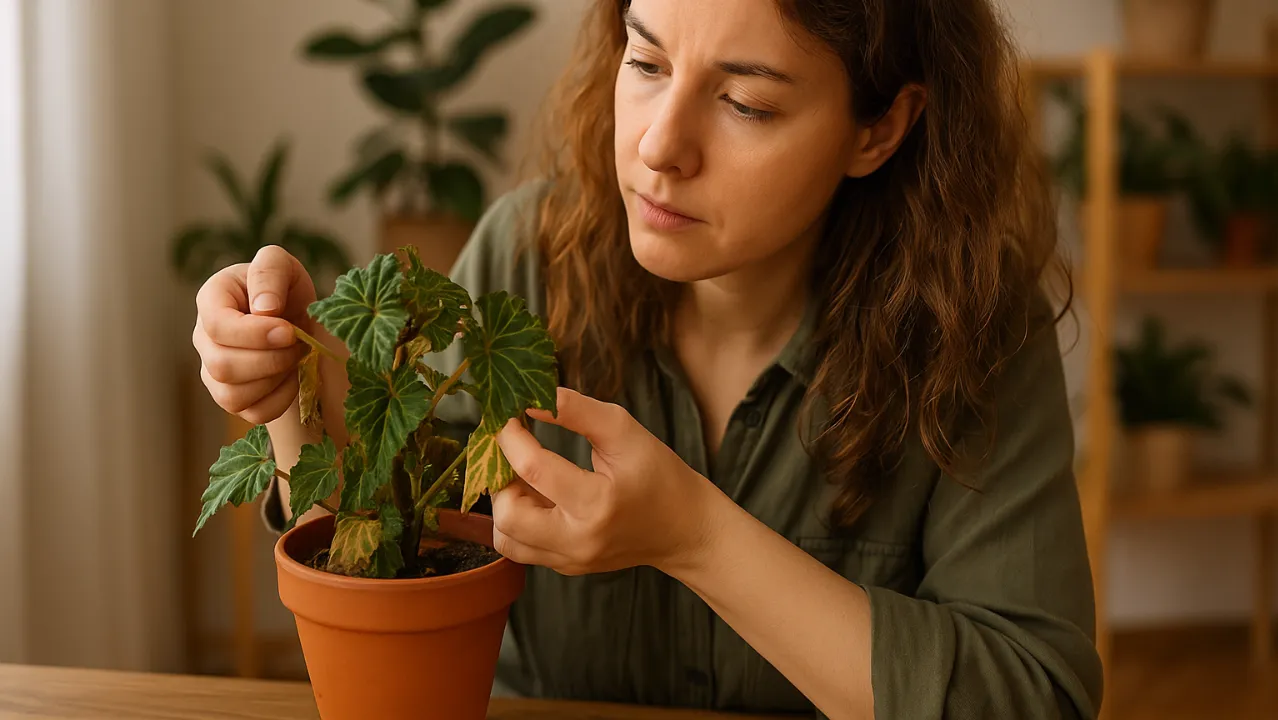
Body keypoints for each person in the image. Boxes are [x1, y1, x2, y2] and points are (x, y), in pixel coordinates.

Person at [191, 0, 1103, 717]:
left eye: (747, 102)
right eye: (646, 61)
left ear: (880, 129)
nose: (660, 146)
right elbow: (388, 562)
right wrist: (293, 397)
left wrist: (695, 538)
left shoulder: (975, 329)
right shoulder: (526, 259)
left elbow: (1033, 695)